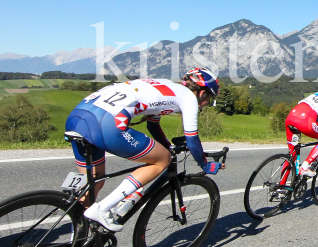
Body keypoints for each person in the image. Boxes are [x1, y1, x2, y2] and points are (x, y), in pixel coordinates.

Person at [65, 67, 223, 232]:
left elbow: (152, 125)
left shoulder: (166, 87)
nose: (207, 105)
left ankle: (77, 239)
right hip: (107, 123)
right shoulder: (188, 98)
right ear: (202, 93)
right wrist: (205, 165)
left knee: (94, 181)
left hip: (77, 117)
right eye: (210, 99)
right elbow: (192, 139)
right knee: (162, 160)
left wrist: (168, 147)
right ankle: (103, 208)